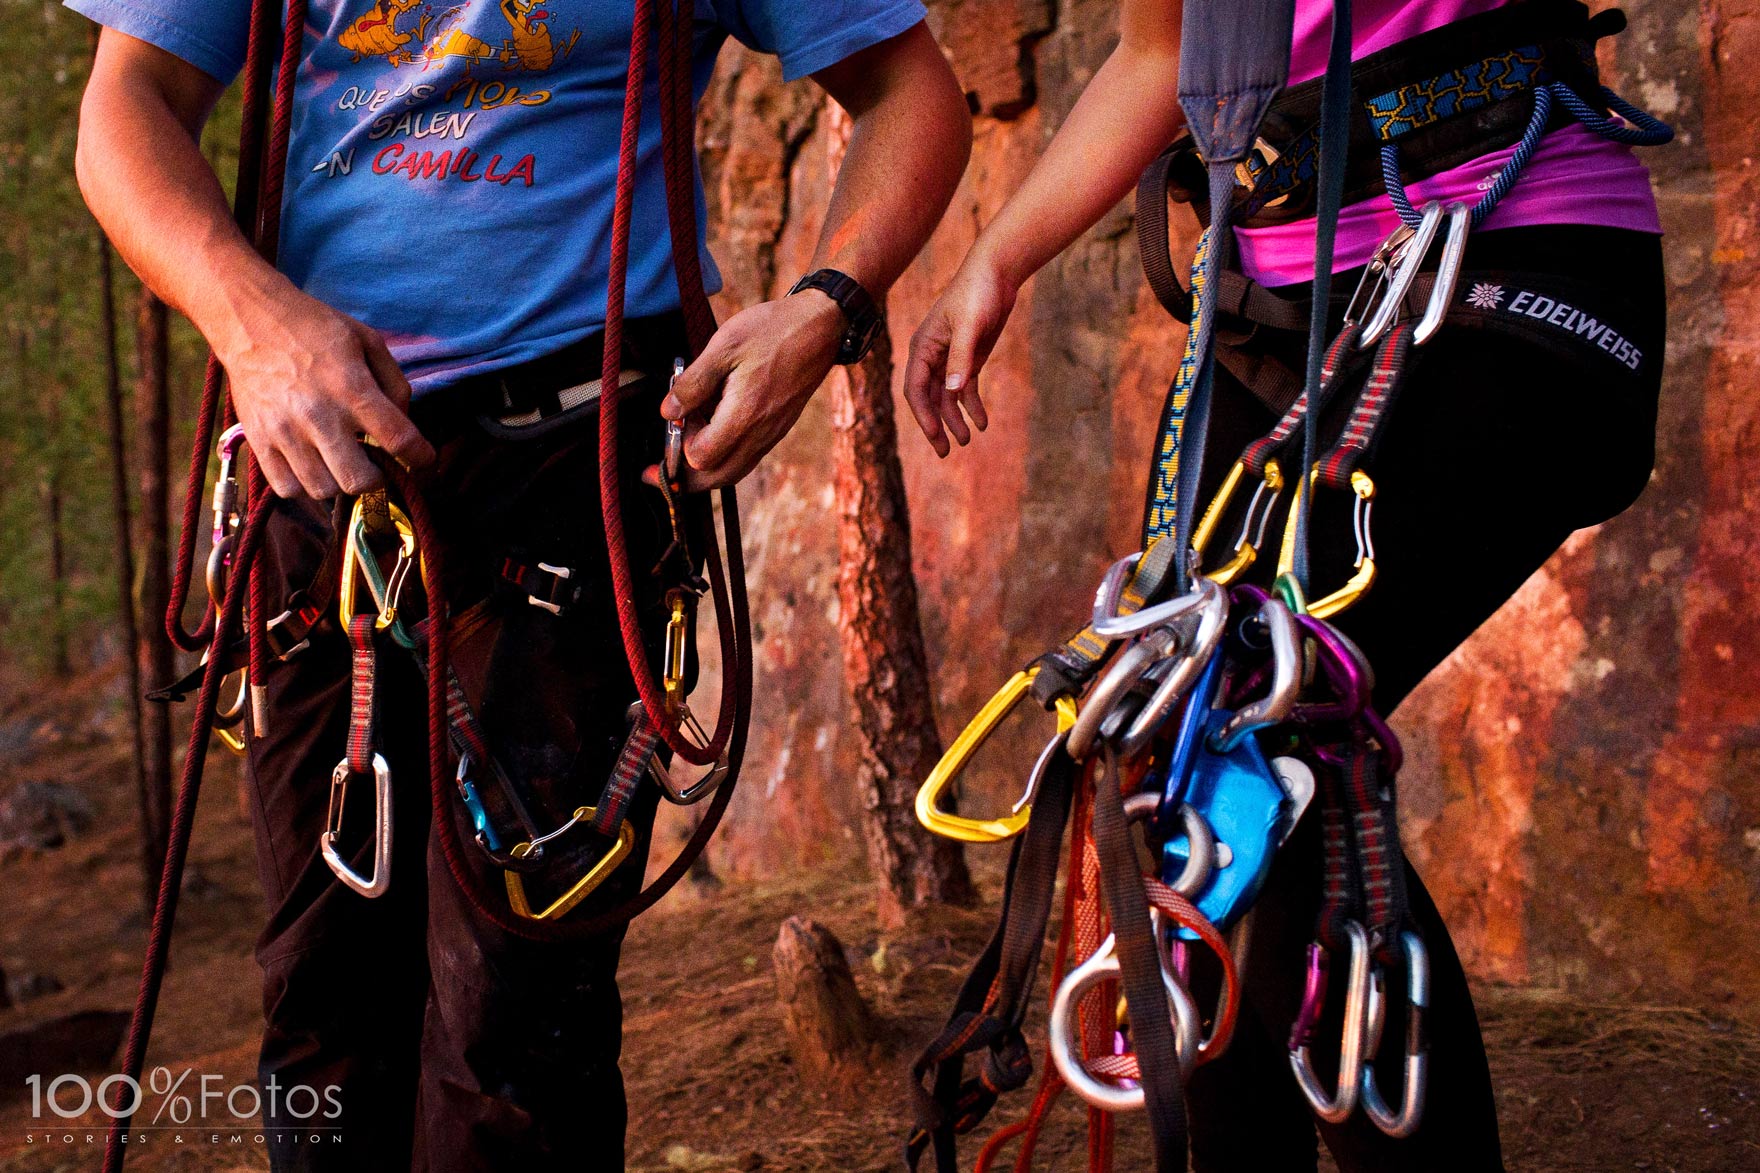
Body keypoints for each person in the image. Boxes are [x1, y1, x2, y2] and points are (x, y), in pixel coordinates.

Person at [71, 0, 970, 1168]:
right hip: (318, 477)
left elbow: (911, 93)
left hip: (576, 486)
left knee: (517, 1043)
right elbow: (125, 106)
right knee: (319, 1010)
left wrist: (823, 313)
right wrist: (253, 329)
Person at [905, 1, 1665, 1169]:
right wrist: (993, 260)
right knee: (1175, 770)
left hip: (1514, 258)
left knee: (1275, 728)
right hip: (1280, 311)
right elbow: (1159, 52)